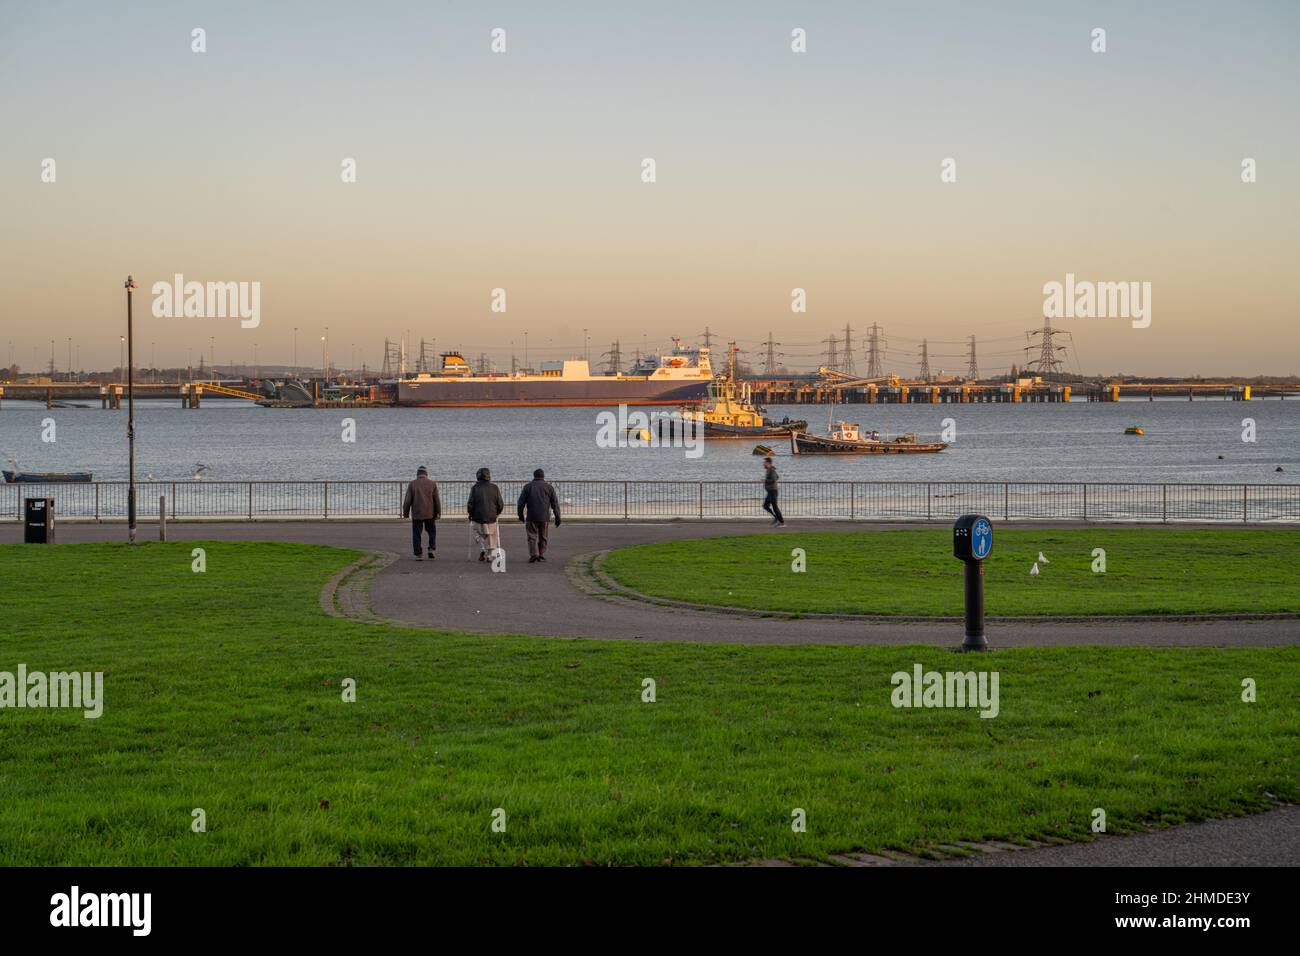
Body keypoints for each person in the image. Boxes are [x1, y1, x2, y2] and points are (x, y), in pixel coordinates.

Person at [517, 468, 561, 563]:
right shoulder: (549, 488)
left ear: (534, 476)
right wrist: (558, 517)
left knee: (531, 536)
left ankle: (533, 555)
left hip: (531, 516)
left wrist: (520, 515)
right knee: (543, 536)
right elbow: (555, 504)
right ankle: (541, 554)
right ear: (543, 476)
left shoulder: (527, 487)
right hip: (544, 516)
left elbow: (521, 503)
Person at [401, 466, 442, 560]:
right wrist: (438, 512)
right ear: (426, 474)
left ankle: (418, 554)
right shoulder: (432, 484)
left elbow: (407, 500)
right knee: (432, 532)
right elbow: (437, 500)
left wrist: (406, 513)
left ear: (417, 474)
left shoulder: (412, 484)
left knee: (416, 534)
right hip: (430, 513)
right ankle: (431, 549)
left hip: (417, 513)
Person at [467, 466, 504, 562]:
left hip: (478, 517)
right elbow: (500, 503)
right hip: (492, 517)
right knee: (492, 536)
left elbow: (470, 503)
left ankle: (483, 547)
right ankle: (490, 555)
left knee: (477, 533)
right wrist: (497, 513)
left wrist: (470, 514)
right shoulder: (495, 487)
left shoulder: (475, 488)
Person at [762, 456, 784, 527]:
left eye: (764, 463)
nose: (763, 464)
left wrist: (765, 481)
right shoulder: (769, 470)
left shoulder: (772, 470)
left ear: (768, 463)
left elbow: (774, 479)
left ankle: (781, 522)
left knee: (775, 507)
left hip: (773, 491)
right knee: (765, 506)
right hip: (770, 491)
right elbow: (777, 477)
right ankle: (776, 518)